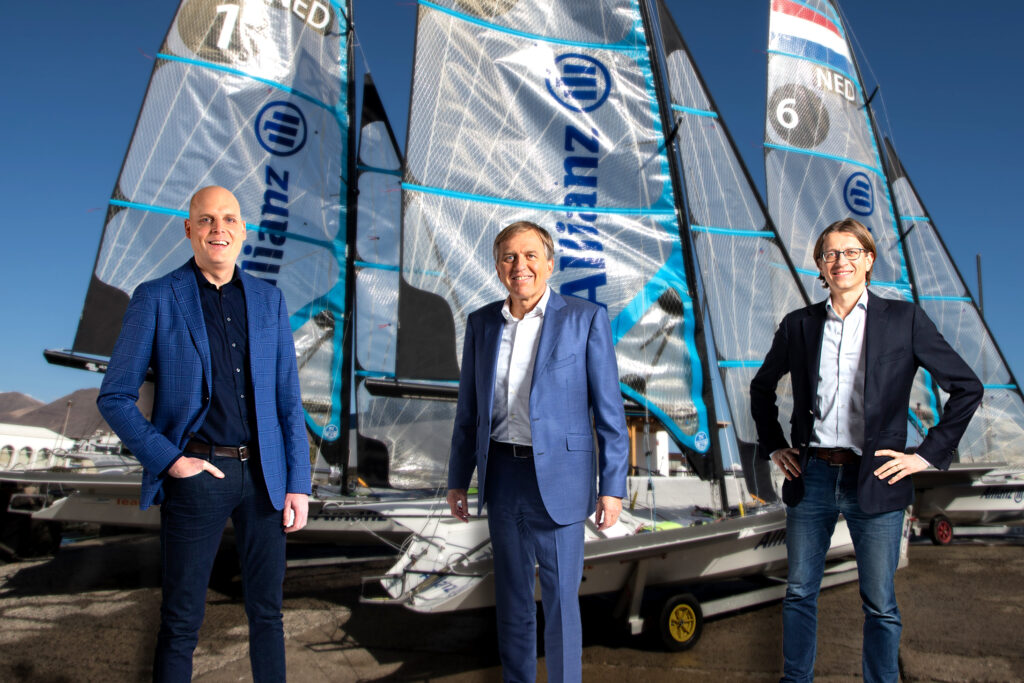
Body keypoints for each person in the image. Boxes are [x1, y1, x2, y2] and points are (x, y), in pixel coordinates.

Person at [750, 218, 983, 682]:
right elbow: (761, 388)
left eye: (852, 252)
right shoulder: (798, 325)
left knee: (879, 604)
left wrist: (925, 455)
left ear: (869, 259)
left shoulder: (905, 320)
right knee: (799, 593)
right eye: (831, 254)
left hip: (876, 476)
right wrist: (775, 446)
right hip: (812, 475)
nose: (841, 261)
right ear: (820, 265)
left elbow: (967, 387)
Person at [97, 186, 312, 682]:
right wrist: (172, 462)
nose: (219, 229)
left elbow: (287, 400)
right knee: (180, 624)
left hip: (265, 480)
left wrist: (298, 483)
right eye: (208, 219)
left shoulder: (270, 300)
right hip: (197, 476)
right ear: (189, 229)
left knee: (268, 617)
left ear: (243, 231)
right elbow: (114, 397)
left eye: (229, 219)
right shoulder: (156, 296)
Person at [446, 221, 628, 683]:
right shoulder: (481, 324)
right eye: (509, 257)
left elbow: (609, 412)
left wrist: (612, 487)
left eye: (530, 256)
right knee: (511, 602)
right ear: (497, 268)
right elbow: (468, 411)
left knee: (562, 602)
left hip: (562, 479)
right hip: (502, 478)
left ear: (549, 264)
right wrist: (457, 479)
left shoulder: (586, 319)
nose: (520, 266)